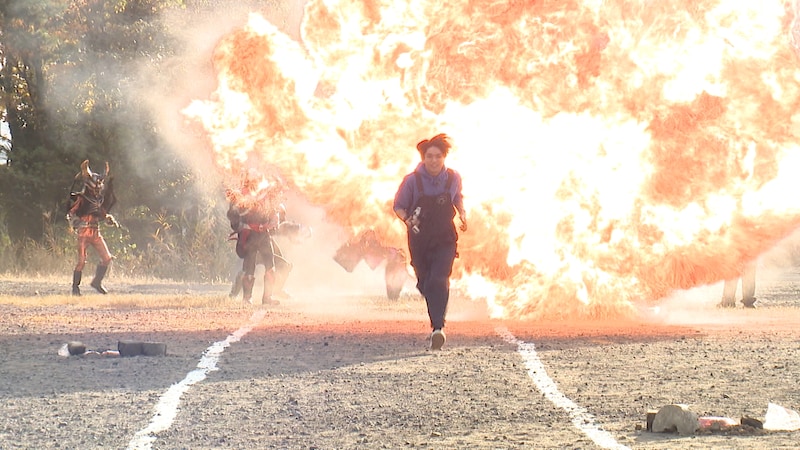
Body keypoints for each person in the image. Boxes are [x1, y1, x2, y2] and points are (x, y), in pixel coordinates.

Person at [393, 133, 467, 350]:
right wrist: (406, 219)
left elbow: (457, 197)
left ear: (444, 157)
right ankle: (436, 319)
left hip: (445, 239)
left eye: (438, 156)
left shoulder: (453, 178)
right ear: (423, 158)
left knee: (439, 279)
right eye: (429, 156)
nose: (434, 160)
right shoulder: (412, 181)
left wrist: (462, 214)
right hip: (420, 240)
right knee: (425, 283)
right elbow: (398, 206)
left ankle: (438, 328)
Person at [226, 170, 285, 305]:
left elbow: (273, 212)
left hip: (264, 235)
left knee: (270, 266)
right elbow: (234, 217)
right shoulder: (241, 195)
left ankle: (267, 298)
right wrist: (241, 227)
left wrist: (273, 221)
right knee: (249, 267)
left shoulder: (264, 193)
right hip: (249, 236)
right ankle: (247, 298)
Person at [66, 160, 119, 296]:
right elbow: (71, 212)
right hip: (83, 232)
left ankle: (96, 282)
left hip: (95, 232)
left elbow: (102, 213)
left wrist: (108, 218)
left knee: (107, 258)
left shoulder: (98, 200)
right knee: (81, 261)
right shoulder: (82, 198)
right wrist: (74, 222)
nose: (98, 188)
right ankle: (75, 288)